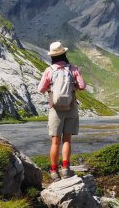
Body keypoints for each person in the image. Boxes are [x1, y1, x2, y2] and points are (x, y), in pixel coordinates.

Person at [38, 41, 86, 182]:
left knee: (55, 142)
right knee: (67, 139)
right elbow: (82, 86)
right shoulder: (73, 69)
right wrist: (74, 85)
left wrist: (50, 89)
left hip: (55, 110)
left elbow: (40, 89)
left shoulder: (49, 70)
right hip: (71, 107)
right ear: (64, 53)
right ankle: (65, 169)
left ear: (52, 56)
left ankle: (54, 172)